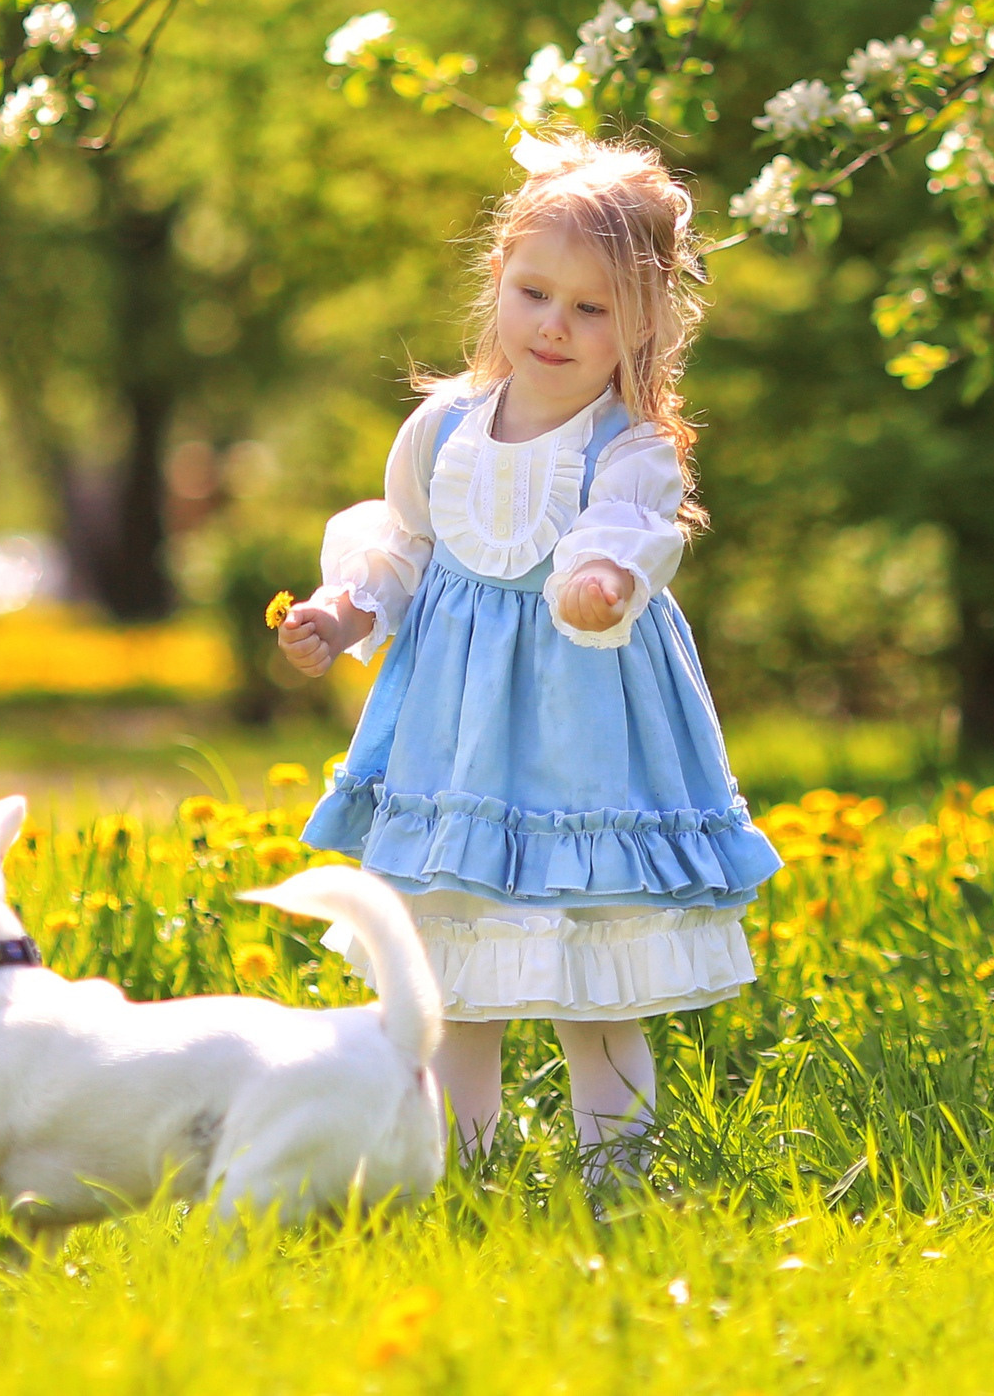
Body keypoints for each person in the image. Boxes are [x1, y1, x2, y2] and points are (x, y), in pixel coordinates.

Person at [275, 131, 780, 1181]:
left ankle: (618, 1178)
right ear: (497, 278)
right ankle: (460, 1170)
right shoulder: (439, 430)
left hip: (582, 730)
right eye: (534, 291)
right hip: (453, 742)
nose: (554, 324)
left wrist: (601, 583)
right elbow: (402, 547)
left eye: (591, 308)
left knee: (593, 973)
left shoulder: (627, 448)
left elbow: (625, 537)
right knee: (459, 973)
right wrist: (341, 611)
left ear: (640, 324)